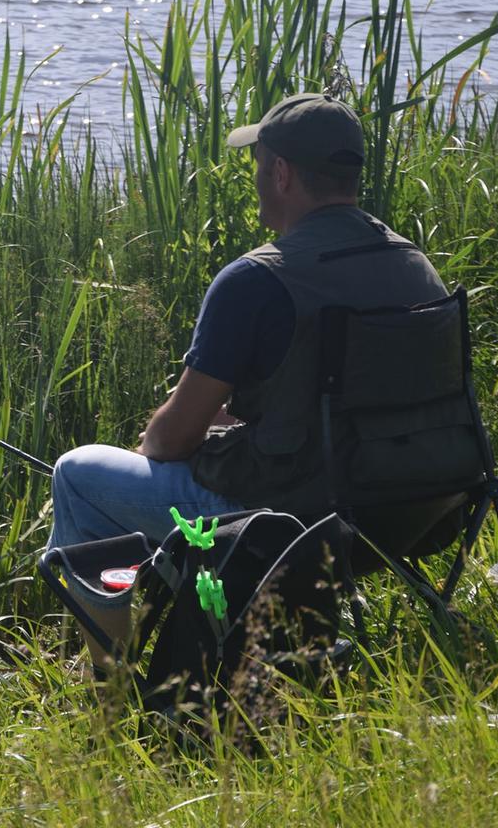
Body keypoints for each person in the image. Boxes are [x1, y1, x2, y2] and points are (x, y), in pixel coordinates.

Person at [48, 92, 453, 668]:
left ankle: (102, 672)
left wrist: (177, 431)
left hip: (292, 526)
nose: (258, 179)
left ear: (281, 173)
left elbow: (169, 441)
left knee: (78, 474)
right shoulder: (414, 263)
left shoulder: (256, 280)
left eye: (259, 165)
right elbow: (353, 404)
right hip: (412, 514)